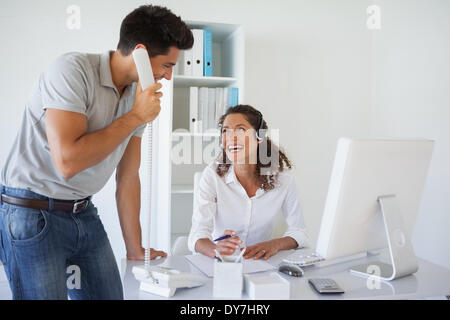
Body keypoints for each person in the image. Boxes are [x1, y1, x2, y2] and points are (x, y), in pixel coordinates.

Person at [0, 5, 193, 300]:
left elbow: (128, 175)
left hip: (82, 211)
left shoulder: (137, 97)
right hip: (32, 212)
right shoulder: (71, 70)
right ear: (140, 52)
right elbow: (67, 162)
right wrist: (134, 118)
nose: (167, 77)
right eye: (167, 65)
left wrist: (134, 249)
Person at [188, 105, 309, 260]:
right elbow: (197, 234)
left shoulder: (283, 181)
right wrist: (215, 248)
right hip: (221, 263)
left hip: (261, 263)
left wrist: (274, 245)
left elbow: (299, 231)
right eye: (225, 131)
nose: (231, 137)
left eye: (240, 129)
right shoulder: (212, 176)